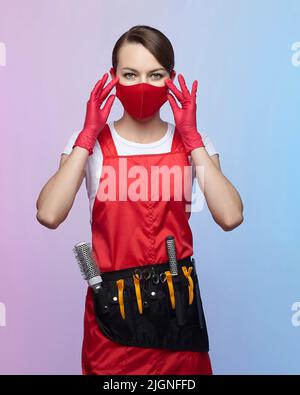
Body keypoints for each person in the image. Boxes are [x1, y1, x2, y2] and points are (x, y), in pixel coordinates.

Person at [36, 25, 244, 375]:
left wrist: (192, 140)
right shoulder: (89, 145)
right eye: (130, 74)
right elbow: (49, 213)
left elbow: (230, 216)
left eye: (155, 74)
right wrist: (86, 137)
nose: (142, 85)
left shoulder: (195, 144)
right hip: (112, 318)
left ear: (172, 80)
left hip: (178, 313)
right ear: (112, 78)